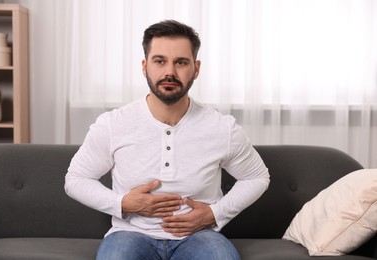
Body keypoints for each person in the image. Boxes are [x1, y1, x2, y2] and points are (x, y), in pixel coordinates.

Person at [65, 20, 270, 260]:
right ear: (145, 66)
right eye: (159, 61)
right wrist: (123, 204)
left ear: (196, 68)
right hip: (130, 234)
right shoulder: (113, 124)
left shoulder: (222, 128)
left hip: (199, 236)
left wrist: (214, 213)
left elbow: (257, 177)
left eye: (181, 62)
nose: (169, 72)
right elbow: (75, 179)